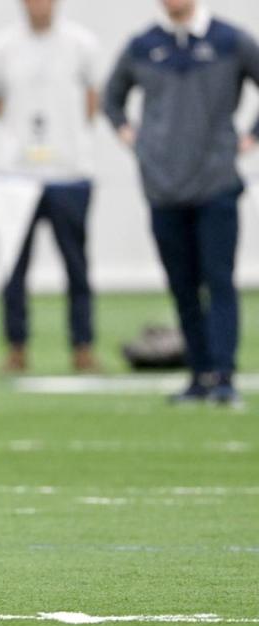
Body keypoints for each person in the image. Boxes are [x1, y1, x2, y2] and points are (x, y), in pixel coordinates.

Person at [104, 0, 259, 406]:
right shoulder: (143, 44)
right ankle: (199, 374)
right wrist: (130, 136)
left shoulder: (230, 40)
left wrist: (251, 136)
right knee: (182, 287)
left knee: (218, 280)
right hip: (163, 188)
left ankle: (224, 375)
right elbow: (111, 97)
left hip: (215, 184)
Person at [0, 0, 101, 374]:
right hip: (17, 175)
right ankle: (16, 347)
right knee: (14, 267)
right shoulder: (1, 47)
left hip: (69, 173)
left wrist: (68, 142)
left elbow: (91, 99)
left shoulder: (82, 43)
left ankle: (83, 347)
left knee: (77, 265)